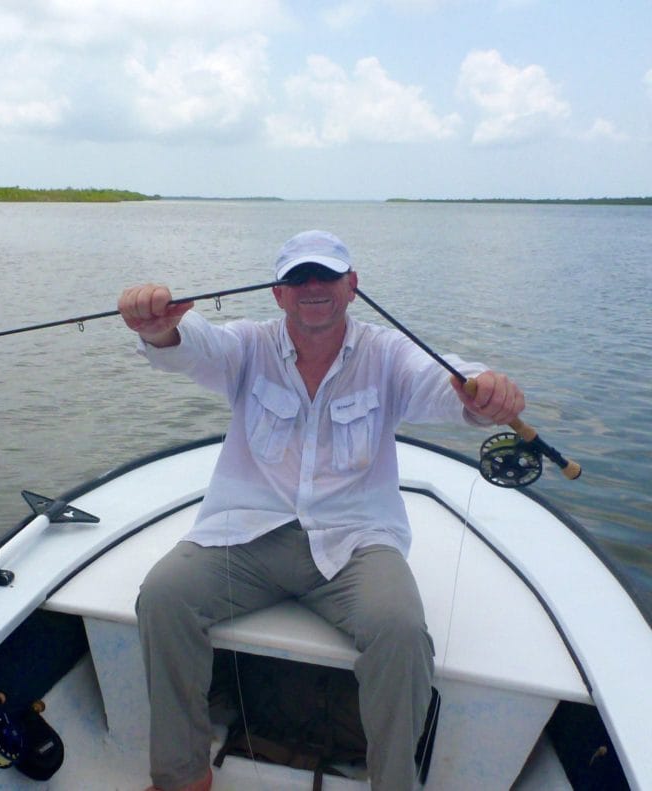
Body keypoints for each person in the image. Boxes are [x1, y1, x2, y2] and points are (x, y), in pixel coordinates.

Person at [117, 230, 525, 791]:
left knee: (402, 631)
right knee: (163, 597)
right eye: (297, 278)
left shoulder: (389, 354)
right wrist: (160, 329)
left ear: (352, 287)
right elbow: (194, 346)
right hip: (246, 537)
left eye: (327, 275)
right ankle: (182, 777)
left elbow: (447, 382)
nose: (313, 287)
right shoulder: (247, 346)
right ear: (278, 294)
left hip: (355, 543)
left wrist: (486, 394)